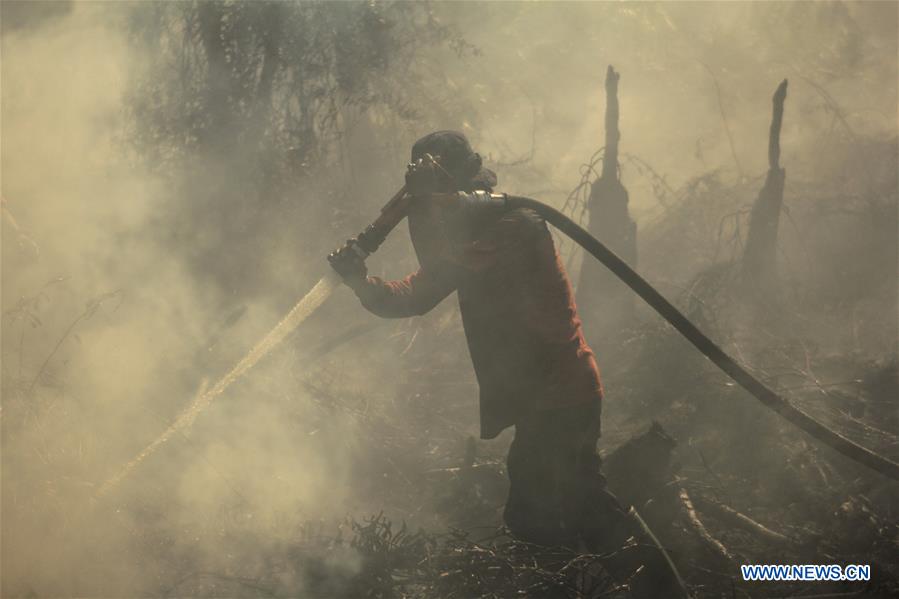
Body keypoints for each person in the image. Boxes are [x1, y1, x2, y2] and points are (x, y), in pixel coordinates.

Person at [328, 130, 629, 550]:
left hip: (562, 393)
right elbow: (417, 294)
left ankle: (649, 580)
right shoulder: (474, 237)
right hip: (546, 398)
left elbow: (438, 272)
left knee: (546, 518)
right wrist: (358, 281)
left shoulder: (514, 226)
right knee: (570, 511)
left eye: (435, 194)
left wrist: (420, 207)